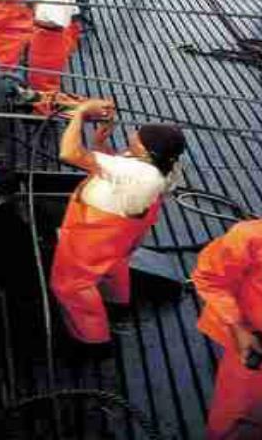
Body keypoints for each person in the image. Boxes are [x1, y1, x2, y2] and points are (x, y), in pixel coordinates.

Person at [50, 99, 186, 343]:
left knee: (72, 284)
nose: (133, 134)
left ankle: (93, 338)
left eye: (138, 134)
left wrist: (80, 113)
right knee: (114, 264)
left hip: (97, 230)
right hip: (126, 228)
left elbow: (69, 153)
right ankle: (116, 306)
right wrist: (100, 142)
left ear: (145, 149)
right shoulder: (162, 165)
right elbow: (118, 169)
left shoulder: (139, 173)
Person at [191, 220, 262, 439]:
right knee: (236, 415)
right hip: (256, 347)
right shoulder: (250, 237)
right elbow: (210, 278)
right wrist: (238, 327)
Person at [27, 0, 81, 93]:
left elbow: (58, 25)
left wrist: (32, 21)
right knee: (52, 73)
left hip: (48, 45)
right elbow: (74, 16)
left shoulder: (51, 0)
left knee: (41, 76)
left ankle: (45, 99)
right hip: (62, 42)